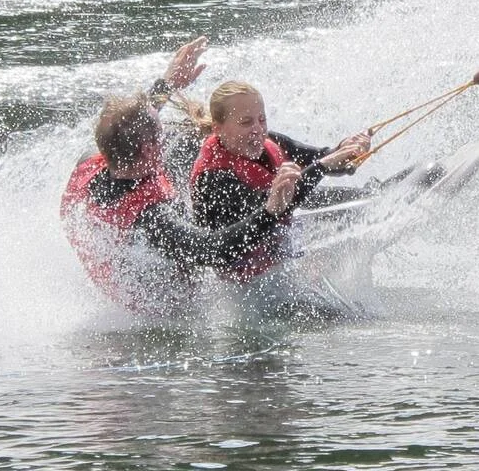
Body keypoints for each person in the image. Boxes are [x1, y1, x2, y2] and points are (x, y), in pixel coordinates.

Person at [59, 39, 304, 315]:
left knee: (190, 140)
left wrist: (168, 84)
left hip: (113, 263)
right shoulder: (152, 217)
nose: (165, 136)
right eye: (160, 132)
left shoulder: (94, 160)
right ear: (149, 148)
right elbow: (214, 250)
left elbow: (131, 124)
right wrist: (270, 212)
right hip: (161, 303)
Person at [187, 81, 369, 281]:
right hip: (247, 280)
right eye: (246, 122)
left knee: (344, 200)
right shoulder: (212, 177)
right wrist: (324, 165)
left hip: (280, 245)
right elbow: (269, 207)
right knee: (310, 193)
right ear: (218, 129)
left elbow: (319, 157)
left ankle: (371, 196)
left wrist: (346, 150)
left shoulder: (269, 141)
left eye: (262, 119)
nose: (258, 129)